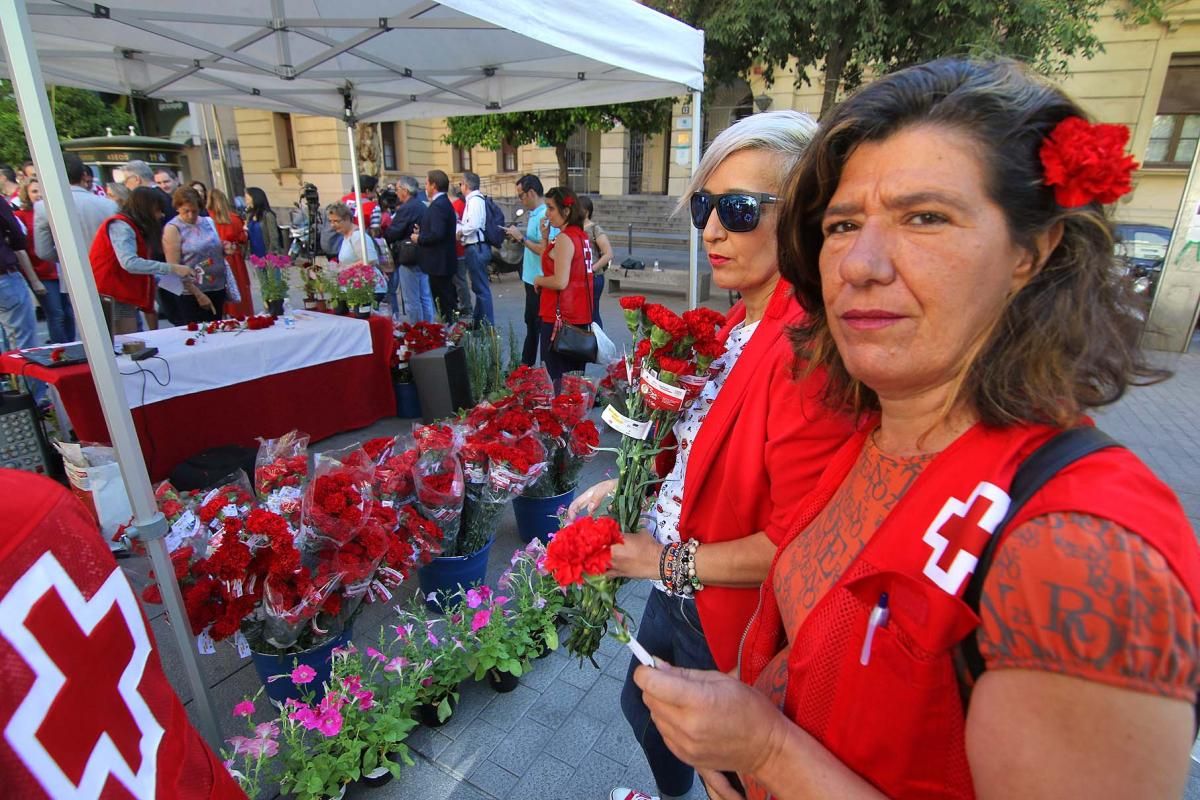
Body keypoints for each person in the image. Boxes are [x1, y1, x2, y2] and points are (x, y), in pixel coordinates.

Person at [633, 57, 1200, 800]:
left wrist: (766, 750)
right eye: (842, 225)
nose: (861, 264)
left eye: (924, 217)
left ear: (1034, 251)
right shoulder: (877, 431)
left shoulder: (1084, 551)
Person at [565, 112, 855, 800]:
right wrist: (632, 488)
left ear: (803, 217)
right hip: (680, 585)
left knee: (716, 757)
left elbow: (801, 543)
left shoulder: (803, 351)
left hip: (725, 607)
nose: (712, 229)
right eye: (704, 204)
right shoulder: (737, 321)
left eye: (739, 208)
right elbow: (702, 444)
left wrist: (659, 560)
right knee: (648, 711)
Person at [90, 187, 194, 335]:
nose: (161, 215)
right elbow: (130, 263)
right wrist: (173, 268)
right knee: (127, 339)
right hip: (111, 292)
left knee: (130, 337)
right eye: (158, 210)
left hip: (118, 292)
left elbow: (140, 266)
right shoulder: (121, 226)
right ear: (147, 209)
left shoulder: (129, 226)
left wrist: (174, 281)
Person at [530, 186, 595, 387]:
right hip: (577, 318)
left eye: (550, 208)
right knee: (572, 383)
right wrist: (544, 237)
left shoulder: (565, 238)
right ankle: (572, 418)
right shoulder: (579, 235)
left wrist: (539, 280)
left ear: (565, 211)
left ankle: (561, 418)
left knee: (556, 381)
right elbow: (552, 261)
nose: (547, 213)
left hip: (560, 320)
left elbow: (560, 281)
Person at [505, 174, 556, 365]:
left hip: (540, 282)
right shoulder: (536, 214)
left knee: (538, 327)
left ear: (532, 192)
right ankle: (526, 367)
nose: (520, 200)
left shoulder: (545, 215)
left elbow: (546, 250)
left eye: (521, 195)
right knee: (531, 325)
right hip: (532, 279)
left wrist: (521, 238)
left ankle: (534, 367)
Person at [163, 187, 234, 323]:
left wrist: (225, 248)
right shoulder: (173, 228)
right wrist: (197, 294)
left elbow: (214, 249)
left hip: (216, 286)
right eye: (186, 211)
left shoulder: (208, 222)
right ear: (178, 208)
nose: (190, 215)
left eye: (194, 211)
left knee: (217, 328)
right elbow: (174, 268)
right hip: (190, 292)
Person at [14, 180, 73, 343]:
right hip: (42, 273)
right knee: (56, 314)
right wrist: (34, 280)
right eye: (34, 191)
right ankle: (62, 351)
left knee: (70, 313)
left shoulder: (57, 211)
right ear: (26, 194)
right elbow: (21, 249)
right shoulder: (21, 216)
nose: (39, 194)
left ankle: (75, 347)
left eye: (41, 190)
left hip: (62, 270)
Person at [0, 195, 46, 403]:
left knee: (9, 343)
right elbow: (17, 236)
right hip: (4, 277)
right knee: (23, 346)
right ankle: (31, 403)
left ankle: (12, 400)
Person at [384, 175, 435, 322]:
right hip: (422, 254)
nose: (396, 193)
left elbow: (394, 232)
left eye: (397, 189)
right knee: (424, 295)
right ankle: (429, 326)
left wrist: (384, 233)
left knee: (412, 298)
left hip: (409, 255)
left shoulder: (407, 208)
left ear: (405, 190)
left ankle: (418, 329)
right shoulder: (421, 205)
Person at [412, 169, 458, 321]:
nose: (425, 187)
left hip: (439, 263)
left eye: (427, 183)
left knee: (443, 302)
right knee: (444, 300)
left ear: (434, 185)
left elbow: (437, 234)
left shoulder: (439, 205)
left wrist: (419, 238)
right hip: (441, 262)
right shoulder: (442, 203)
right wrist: (423, 230)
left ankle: (450, 332)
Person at [328, 202, 386, 305]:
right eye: (331, 221)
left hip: (368, 288)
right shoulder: (346, 236)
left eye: (336, 221)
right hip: (355, 287)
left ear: (347, 219)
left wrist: (345, 268)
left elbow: (369, 260)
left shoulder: (357, 236)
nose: (333, 225)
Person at [208, 188, 253, 317]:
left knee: (219, 285)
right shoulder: (233, 218)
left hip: (215, 258)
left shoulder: (207, 219)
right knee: (238, 285)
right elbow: (242, 238)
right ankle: (240, 313)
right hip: (234, 258)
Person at [456, 171, 494, 324]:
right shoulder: (473, 200)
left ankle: (487, 324)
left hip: (476, 247)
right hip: (476, 247)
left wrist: (460, 231)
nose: (460, 187)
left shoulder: (475, 201)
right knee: (478, 287)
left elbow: (474, 224)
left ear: (466, 185)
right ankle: (479, 321)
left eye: (461, 184)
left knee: (481, 288)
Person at [577, 195, 613, 329]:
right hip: (578, 278)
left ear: (586, 211)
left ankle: (598, 344)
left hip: (594, 278)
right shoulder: (574, 228)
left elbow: (608, 254)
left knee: (592, 314)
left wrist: (592, 268)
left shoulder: (594, 229)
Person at [448, 183, 472, 316]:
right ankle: (464, 305)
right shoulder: (460, 204)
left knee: (460, 280)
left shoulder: (456, 206)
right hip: (459, 248)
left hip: (458, 248)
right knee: (459, 279)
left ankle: (465, 306)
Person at [244, 187, 285, 258]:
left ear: (255, 197)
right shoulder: (249, 214)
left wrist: (270, 255)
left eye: (247, 194)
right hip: (254, 254)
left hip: (267, 254)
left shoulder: (268, 215)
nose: (245, 196)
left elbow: (274, 237)